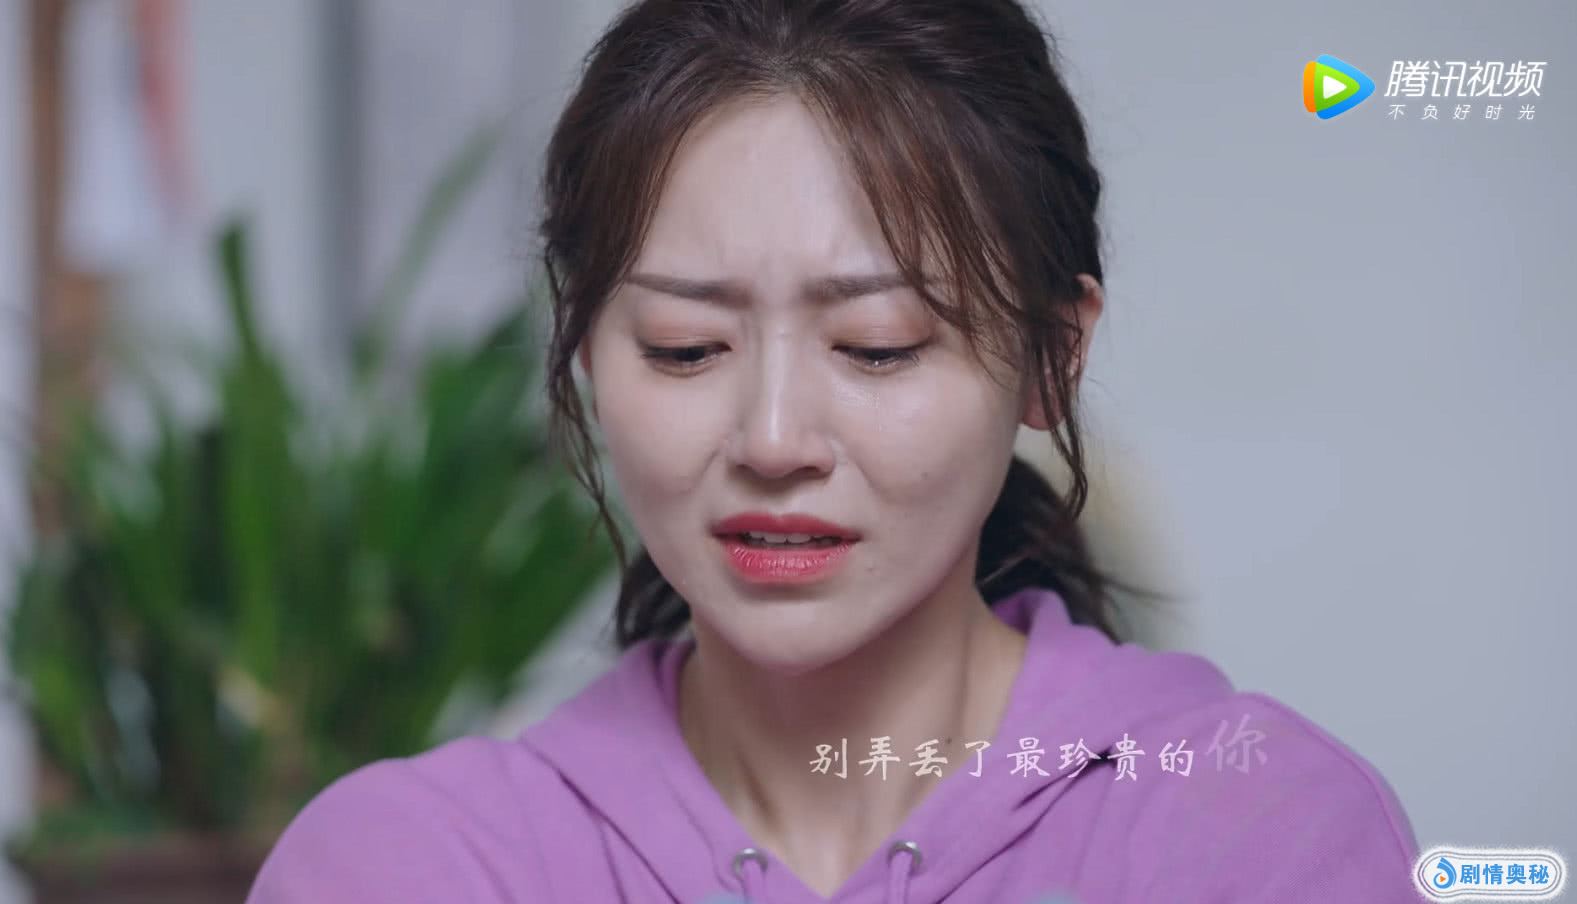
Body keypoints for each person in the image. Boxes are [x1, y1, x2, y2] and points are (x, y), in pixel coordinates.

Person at [246, 1, 1421, 901]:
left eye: (876, 346)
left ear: (1050, 357)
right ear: (585, 349)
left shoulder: (1252, 835)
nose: (771, 440)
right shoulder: (411, 866)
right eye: (685, 347)